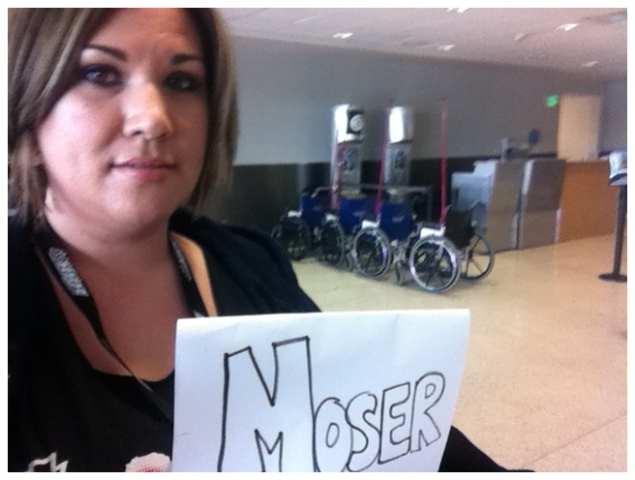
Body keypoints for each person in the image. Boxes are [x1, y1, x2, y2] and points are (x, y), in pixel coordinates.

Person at [8, 8, 514, 472]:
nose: (153, 118)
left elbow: (376, 424)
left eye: (181, 81)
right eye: (99, 74)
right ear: (27, 111)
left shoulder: (253, 266)